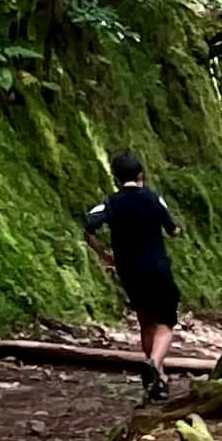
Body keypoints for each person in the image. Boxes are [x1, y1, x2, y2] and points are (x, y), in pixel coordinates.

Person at [83, 151, 181, 390]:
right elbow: (173, 230)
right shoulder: (153, 198)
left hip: (130, 273)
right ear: (141, 175)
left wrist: (105, 255)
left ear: (116, 178)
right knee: (166, 323)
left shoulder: (110, 202)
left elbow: (89, 227)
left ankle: (158, 380)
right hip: (157, 268)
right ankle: (154, 364)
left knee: (146, 321)